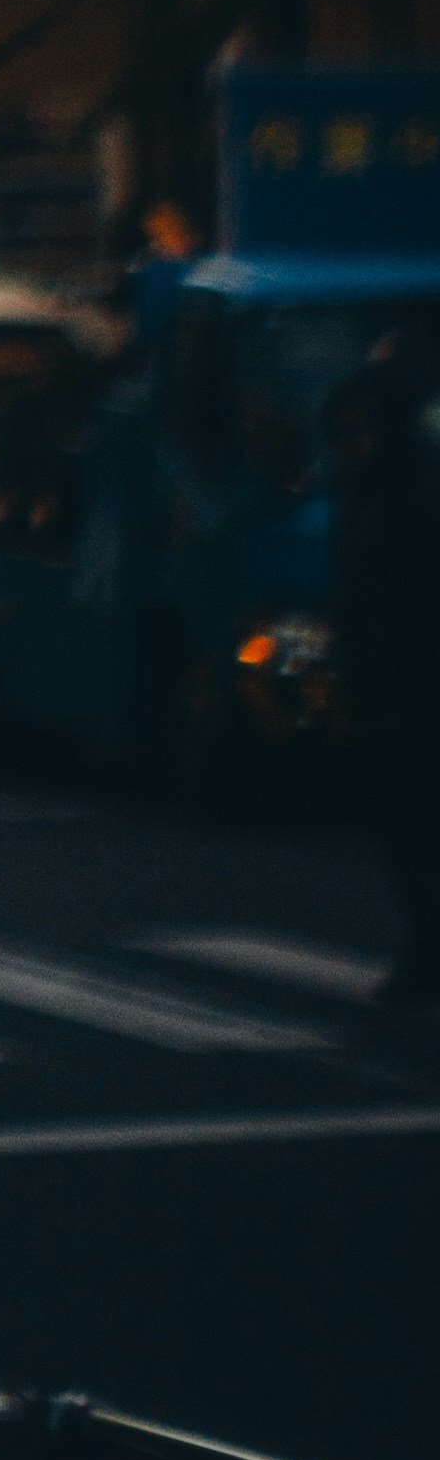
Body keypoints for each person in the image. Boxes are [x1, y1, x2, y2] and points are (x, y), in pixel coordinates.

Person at [324, 313, 440, 1007]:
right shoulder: (371, 492)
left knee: (415, 829)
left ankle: (426, 955)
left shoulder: (410, 491)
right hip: (389, 685)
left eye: (356, 430)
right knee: (405, 831)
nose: (346, 444)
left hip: (412, 687)